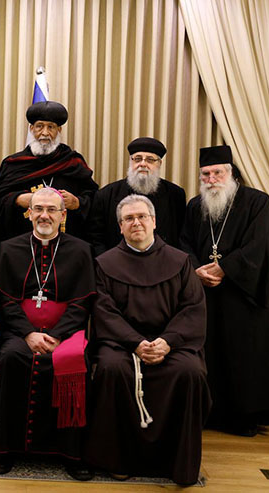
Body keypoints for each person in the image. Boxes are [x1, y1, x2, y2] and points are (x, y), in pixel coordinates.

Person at [86, 195, 210, 486]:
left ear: (154, 221)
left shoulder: (180, 262)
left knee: (190, 372)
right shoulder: (104, 264)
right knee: (111, 369)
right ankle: (117, 460)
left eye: (142, 216)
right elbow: (104, 311)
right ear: (120, 227)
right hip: (122, 343)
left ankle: (177, 462)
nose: (136, 223)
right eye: (129, 219)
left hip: (171, 343)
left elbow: (192, 309)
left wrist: (167, 341)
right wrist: (135, 343)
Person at [0, 187, 95, 479]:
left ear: (63, 215)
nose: (44, 215)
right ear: (29, 213)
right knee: (11, 358)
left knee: (75, 364)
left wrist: (57, 335)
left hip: (66, 333)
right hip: (20, 332)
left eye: (51, 210)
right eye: (38, 209)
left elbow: (81, 302)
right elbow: (5, 299)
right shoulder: (10, 248)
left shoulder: (80, 249)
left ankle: (70, 452)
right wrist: (27, 334)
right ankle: (5, 449)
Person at [180, 145, 269, 436]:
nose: (211, 179)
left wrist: (225, 268)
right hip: (206, 293)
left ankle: (244, 417)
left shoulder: (256, 202)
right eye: (206, 174)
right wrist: (197, 268)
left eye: (217, 173)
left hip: (243, 296)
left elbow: (260, 246)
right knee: (210, 353)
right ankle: (209, 412)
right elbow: (184, 242)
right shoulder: (194, 205)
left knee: (244, 355)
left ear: (231, 173)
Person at [0, 101, 98, 259]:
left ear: (59, 130)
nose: (45, 133)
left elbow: (95, 200)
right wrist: (16, 199)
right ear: (31, 129)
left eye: (51, 127)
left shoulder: (73, 162)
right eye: (39, 126)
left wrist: (77, 202)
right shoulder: (13, 164)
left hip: (66, 250)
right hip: (21, 249)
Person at [87, 137, 186, 255]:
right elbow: (96, 237)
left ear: (159, 163)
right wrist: (107, 264)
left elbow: (181, 236)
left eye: (150, 160)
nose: (143, 164)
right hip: (118, 264)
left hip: (163, 264)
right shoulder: (106, 195)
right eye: (137, 159)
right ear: (131, 161)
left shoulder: (175, 194)